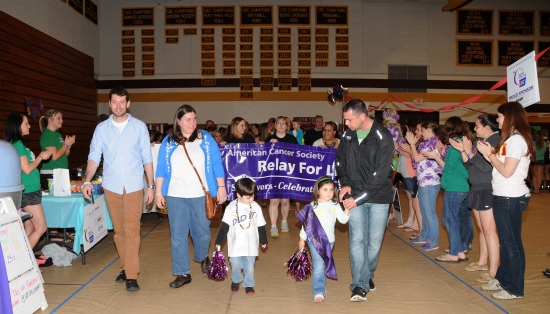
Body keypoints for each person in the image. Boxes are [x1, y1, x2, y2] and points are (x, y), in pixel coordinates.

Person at [82, 87, 155, 292]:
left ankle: (132, 275)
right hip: (112, 185)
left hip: (133, 185)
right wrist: (87, 181)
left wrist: (150, 185)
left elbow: (147, 158)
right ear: (110, 103)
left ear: (128, 104)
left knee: (132, 229)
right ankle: (125, 265)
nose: (118, 106)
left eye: (122, 102)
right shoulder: (102, 129)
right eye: (114, 102)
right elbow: (94, 156)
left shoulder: (139, 127)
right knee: (119, 231)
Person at [155, 104, 227, 289]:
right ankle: (182, 273)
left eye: (194, 119)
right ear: (178, 121)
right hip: (175, 195)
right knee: (178, 236)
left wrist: (221, 187)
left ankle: (202, 255)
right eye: (188, 119)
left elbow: (217, 163)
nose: (192, 123)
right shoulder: (169, 141)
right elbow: (161, 168)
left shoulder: (205, 138)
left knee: (202, 232)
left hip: (200, 195)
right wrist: (158, 191)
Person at [336, 99, 394, 302]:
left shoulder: (383, 137)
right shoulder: (347, 135)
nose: (346, 124)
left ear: (362, 116)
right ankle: (359, 285)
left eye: (349, 120)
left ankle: (366, 273)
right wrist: (344, 183)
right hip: (355, 196)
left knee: (374, 244)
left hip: (378, 198)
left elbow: (379, 176)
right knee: (357, 242)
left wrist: (358, 199)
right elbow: (340, 161)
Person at [478, 102, 535, 300]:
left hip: (511, 197)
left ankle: (514, 288)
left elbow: (507, 171)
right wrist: (491, 155)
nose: (497, 120)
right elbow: (500, 166)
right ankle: (503, 279)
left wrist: (490, 156)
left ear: (509, 117)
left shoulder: (518, 140)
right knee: (506, 243)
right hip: (502, 194)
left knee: (512, 245)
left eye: (499, 116)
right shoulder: (510, 139)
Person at [453, 114, 500, 283]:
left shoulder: (495, 141)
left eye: (477, 126)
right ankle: (482, 262)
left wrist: (468, 151)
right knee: (481, 228)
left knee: (489, 230)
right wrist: (463, 150)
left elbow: (486, 167)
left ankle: (494, 270)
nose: (474, 129)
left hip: (487, 187)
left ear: (487, 127)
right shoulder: (478, 142)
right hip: (476, 187)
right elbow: (469, 165)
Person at [424, 117, 471, 263]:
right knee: (457, 219)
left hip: (454, 186)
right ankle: (459, 250)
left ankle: (454, 253)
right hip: (462, 186)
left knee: (449, 220)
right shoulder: (460, 142)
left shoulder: (455, 144)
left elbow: (448, 169)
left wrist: (435, 157)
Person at [297, 176, 350, 302]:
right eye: (325, 189)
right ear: (318, 191)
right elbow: (306, 226)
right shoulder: (312, 206)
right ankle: (318, 290)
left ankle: (321, 284)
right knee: (319, 265)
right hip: (314, 241)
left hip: (329, 241)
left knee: (324, 263)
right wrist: (301, 239)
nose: (329, 193)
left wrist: (347, 209)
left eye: (331, 190)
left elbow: (343, 220)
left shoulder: (335, 205)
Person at [4, 113, 52, 248]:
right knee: (41, 228)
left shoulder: (18, 144)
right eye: (26, 123)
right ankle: (24, 262)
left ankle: (27, 264)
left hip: (31, 191)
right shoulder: (17, 144)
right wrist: (41, 157)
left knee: (30, 226)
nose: (29, 125)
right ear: (17, 126)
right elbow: (27, 169)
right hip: (29, 192)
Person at [214, 178, 267, 295]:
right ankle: (236, 280)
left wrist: (264, 240)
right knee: (235, 264)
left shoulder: (256, 207)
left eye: (253, 196)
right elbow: (225, 226)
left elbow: (261, 225)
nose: (251, 199)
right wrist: (219, 241)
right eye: (248, 197)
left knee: (250, 267)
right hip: (235, 245)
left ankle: (249, 284)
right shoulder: (231, 208)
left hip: (251, 245)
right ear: (238, 195)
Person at [406, 121, 443, 251]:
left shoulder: (432, 145)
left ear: (428, 130)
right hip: (423, 182)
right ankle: (425, 236)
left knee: (429, 212)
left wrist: (411, 144)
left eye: (422, 130)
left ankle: (433, 241)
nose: (420, 132)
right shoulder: (425, 143)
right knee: (424, 211)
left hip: (430, 183)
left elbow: (416, 158)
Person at [265, 116, 298, 237]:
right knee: (274, 200)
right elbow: (264, 156)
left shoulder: (292, 139)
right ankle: (273, 226)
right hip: (273, 174)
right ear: (275, 125)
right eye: (278, 123)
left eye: (283, 123)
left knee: (285, 201)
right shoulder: (269, 139)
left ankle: (284, 222)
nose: (281, 125)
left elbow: (297, 154)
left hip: (287, 174)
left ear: (287, 126)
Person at [38, 109, 76, 190]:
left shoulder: (58, 134)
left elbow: (64, 154)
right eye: (58, 118)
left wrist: (67, 148)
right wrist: (66, 145)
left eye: (62, 118)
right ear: (50, 120)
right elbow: (54, 156)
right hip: (51, 173)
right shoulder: (47, 135)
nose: (61, 121)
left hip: (60, 172)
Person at [397, 119, 422, 234]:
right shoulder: (413, 141)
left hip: (411, 172)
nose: (417, 131)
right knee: (410, 197)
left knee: (415, 198)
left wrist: (399, 148)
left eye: (419, 129)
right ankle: (411, 220)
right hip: (405, 170)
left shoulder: (419, 142)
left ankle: (416, 223)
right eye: (416, 129)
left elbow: (411, 156)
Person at [531, 130, 546, 194]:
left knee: (535, 175)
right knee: (540, 175)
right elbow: (545, 151)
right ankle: (538, 190)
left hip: (534, 160)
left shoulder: (532, 143)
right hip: (541, 160)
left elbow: (531, 152)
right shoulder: (544, 143)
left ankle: (535, 190)